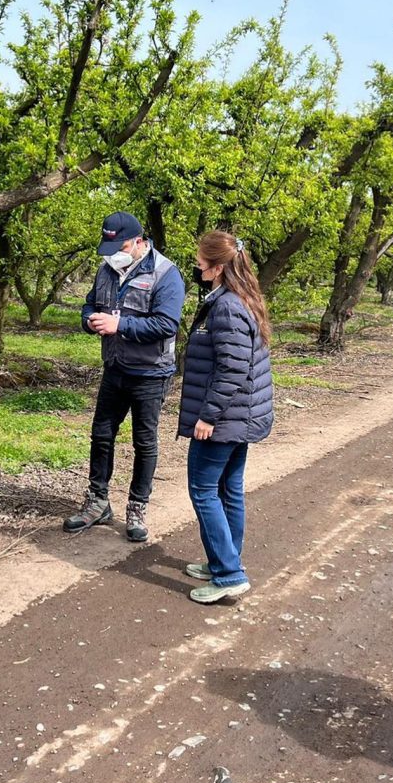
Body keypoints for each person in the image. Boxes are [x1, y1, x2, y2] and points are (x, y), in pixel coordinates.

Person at [63, 211, 185, 541]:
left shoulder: (166, 274)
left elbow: (166, 324)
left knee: (144, 442)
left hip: (150, 373)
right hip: (114, 367)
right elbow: (89, 306)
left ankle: (137, 506)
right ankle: (98, 501)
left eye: (119, 245)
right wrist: (90, 320)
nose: (112, 252)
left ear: (138, 242)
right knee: (101, 434)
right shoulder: (106, 271)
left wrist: (120, 325)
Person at [177, 230, 274, 604]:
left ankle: (228, 574)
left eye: (201, 262)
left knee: (203, 491)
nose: (197, 267)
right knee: (228, 489)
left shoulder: (228, 307)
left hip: (226, 420)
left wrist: (208, 417)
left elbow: (232, 370)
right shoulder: (240, 299)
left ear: (218, 268)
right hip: (240, 417)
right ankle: (224, 559)